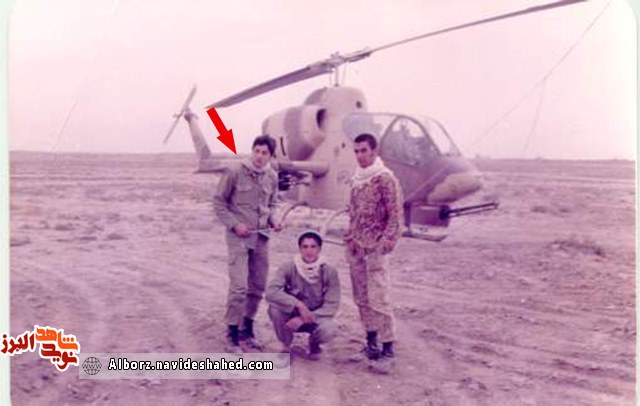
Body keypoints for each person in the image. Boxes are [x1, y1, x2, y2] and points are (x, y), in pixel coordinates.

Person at [213, 135, 282, 352]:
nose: (260, 156)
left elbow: (273, 203)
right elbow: (219, 202)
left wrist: (274, 219)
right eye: (257, 151)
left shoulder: (272, 176)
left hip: (261, 237)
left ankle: (247, 328)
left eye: (265, 153)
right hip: (239, 239)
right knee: (239, 287)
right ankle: (232, 333)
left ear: (271, 156)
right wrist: (234, 225)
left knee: (258, 286)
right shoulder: (234, 171)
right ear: (252, 151)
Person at [344, 133, 403, 372]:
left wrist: (387, 241)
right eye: (356, 151)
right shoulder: (357, 180)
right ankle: (371, 344)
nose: (360, 155)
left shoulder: (385, 179)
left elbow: (395, 214)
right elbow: (353, 212)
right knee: (361, 298)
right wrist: (349, 237)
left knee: (379, 297)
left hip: (376, 248)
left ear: (374, 151)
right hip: (357, 248)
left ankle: (388, 349)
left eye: (364, 151)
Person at [265, 230, 340, 361]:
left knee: (330, 328)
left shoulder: (329, 271)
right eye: (304, 247)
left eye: (313, 247)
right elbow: (271, 292)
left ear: (319, 249)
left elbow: (332, 305)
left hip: (316, 316)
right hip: (292, 314)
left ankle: (314, 343)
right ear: (299, 249)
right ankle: (286, 346)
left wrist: (304, 318)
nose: (308, 251)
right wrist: (297, 304)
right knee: (275, 309)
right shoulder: (288, 267)